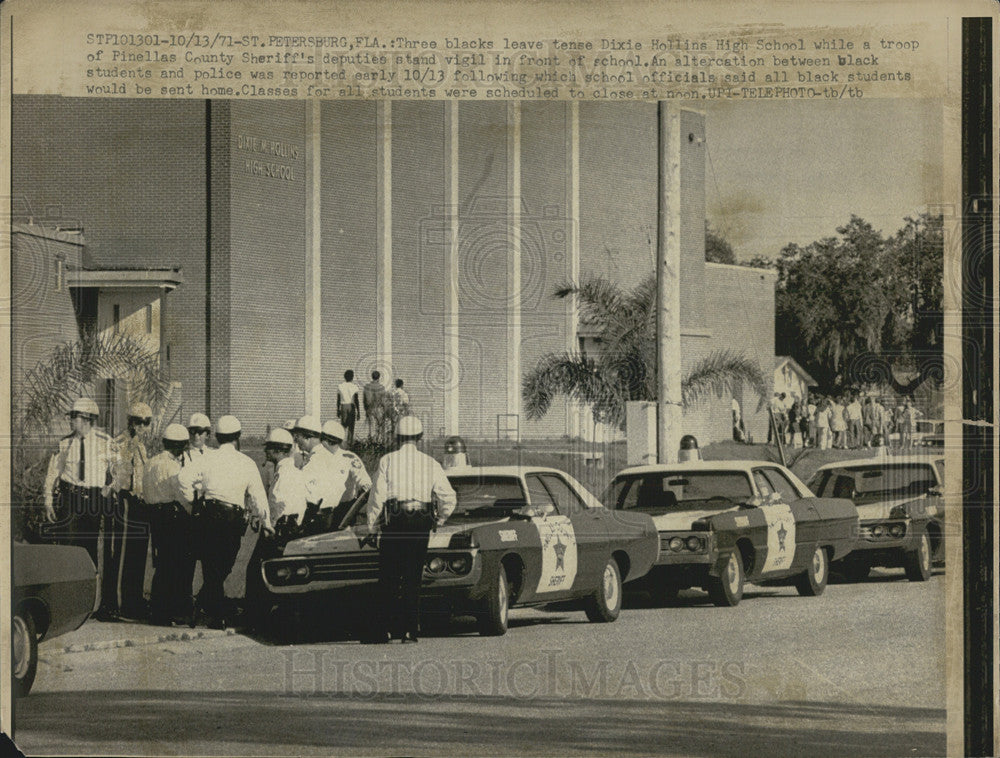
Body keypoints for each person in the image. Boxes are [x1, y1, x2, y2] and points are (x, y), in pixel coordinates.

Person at [366, 416, 457, 644]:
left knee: (389, 575)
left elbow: (377, 497)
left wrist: (372, 527)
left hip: (396, 521)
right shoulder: (430, 463)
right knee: (413, 575)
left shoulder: (387, 460)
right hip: (421, 521)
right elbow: (448, 496)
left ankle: (383, 630)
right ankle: (410, 630)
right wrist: (440, 519)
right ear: (419, 438)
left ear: (397, 437)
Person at [178, 414, 270, 629]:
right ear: (238, 436)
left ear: (217, 437)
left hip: (209, 515)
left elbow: (183, 479)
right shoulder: (246, 463)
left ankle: (202, 605)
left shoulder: (206, 459)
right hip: (231, 518)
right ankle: (216, 614)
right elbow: (258, 496)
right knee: (224, 565)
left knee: (212, 566)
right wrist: (267, 522)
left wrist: (191, 503)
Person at [41, 397, 118, 620]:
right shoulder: (65, 444)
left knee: (88, 551)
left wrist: (108, 488)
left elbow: (120, 469)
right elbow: (52, 473)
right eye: (72, 417)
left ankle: (87, 604)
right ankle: (66, 603)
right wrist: (48, 499)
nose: (71, 421)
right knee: (67, 549)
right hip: (70, 499)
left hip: (93, 500)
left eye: (75, 417)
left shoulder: (105, 441)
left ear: (87, 419)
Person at [243, 427, 308, 630]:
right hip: (289, 527)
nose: (265, 452)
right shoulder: (290, 471)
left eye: (268, 448)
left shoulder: (285, 473)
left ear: (277, 450)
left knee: (256, 572)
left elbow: (279, 503)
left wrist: (268, 524)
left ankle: (255, 618)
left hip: (279, 529)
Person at [143, 423, 191, 626]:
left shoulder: (151, 462)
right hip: (172, 516)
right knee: (174, 564)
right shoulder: (172, 467)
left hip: (155, 515)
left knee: (162, 562)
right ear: (179, 447)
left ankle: (158, 610)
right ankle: (169, 610)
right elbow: (181, 495)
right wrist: (192, 511)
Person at [112, 402, 153, 621]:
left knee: (138, 554)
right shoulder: (121, 443)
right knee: (125, 554)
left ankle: (134, 600)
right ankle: (121, 604)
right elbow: (118, 476)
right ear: (132, 422)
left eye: (147, 422)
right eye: (140, 422)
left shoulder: (141, 446)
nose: (144, 427)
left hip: (140, 504)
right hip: (125, 501)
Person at [320, 419, 372, 529]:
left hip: (343, 512)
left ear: (330, 441)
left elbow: (365, 483)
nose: (320, 443)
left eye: (322, 439)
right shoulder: (319, 459)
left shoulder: (349, 458)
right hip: (322, 512)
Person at [337, 370, 361, 445]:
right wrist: (358, 411)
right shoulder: (354, 387)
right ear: (352, 377)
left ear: (345, 377)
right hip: (351, 406)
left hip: (343, 406)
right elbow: (356, 400)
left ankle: (342, 443)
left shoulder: (340, 386)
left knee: (343, 426)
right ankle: (349, 443)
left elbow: (338, 399)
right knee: (351, 426)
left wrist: (338, 409)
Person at [363, 371, 387, 439]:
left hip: (370, 409)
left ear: (372, 377)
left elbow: (364, 400)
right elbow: (383, 401)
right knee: (379, 427)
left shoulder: (366, 387)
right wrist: (385, 410)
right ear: (379, 378)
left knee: (371, 428)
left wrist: (366, 410)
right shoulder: (381, 387)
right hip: (378, 409)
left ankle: (371, 443)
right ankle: (378, 443)